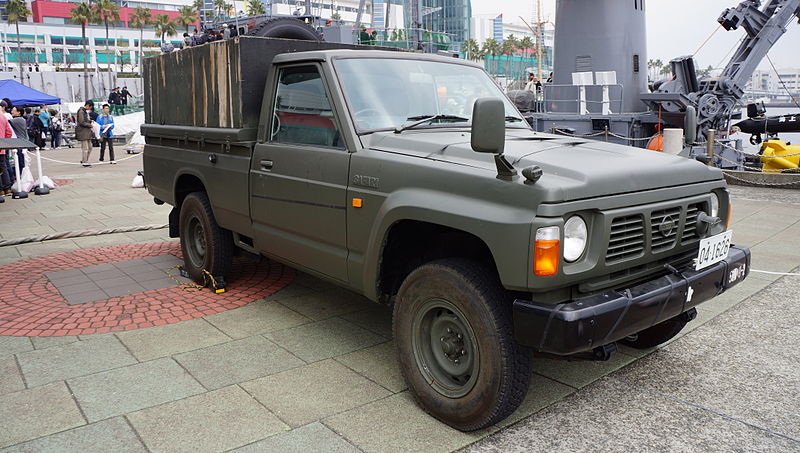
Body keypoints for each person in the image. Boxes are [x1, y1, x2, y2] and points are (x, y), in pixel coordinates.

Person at [0, 100, 14, 199]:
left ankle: (0, 190)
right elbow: (9, 132)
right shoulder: (3, 117)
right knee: (3, 167)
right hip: (2, 146)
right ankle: (7, 188)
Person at [76, 100, 94, 167]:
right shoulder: (81, 111)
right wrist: (89, 125)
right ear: (87, 105)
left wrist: (89, 121)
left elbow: (84, 120)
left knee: (90, 147)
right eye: (90, 107)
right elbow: (81, 122)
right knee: (85, 148)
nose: (90, 109)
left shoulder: (84, 111)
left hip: (87, 132)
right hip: (83, 132)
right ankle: (85, 162)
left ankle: (84, 160)